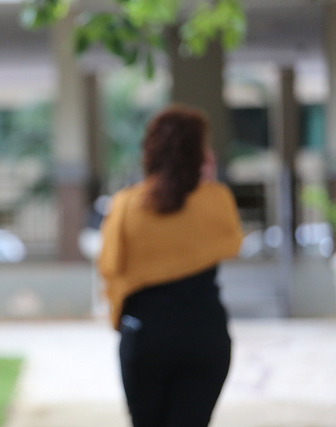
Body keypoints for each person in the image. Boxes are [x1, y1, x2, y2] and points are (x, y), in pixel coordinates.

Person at [97, 104, 243, 427]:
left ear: (151, 150)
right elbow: (233, 242)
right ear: (199, 152)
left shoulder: (127, 204)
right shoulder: (216, 199)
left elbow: (109, 265)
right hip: (205, 333)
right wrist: (206, 180)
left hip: (146, 335)